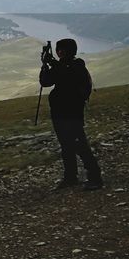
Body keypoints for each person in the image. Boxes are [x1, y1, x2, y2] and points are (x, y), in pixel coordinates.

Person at [41, 38, 103, 191]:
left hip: (70, 113)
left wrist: (51, 63)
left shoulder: (76, 65)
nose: (59, 52)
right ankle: (70, 177)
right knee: (66, 145)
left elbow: (63, 76)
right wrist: (46, 65)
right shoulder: (65, 66)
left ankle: (95, 177)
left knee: (79, 144)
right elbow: (47, 81)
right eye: (58, 49)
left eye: (61, 49)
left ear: (67, 51)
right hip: (61, 112)